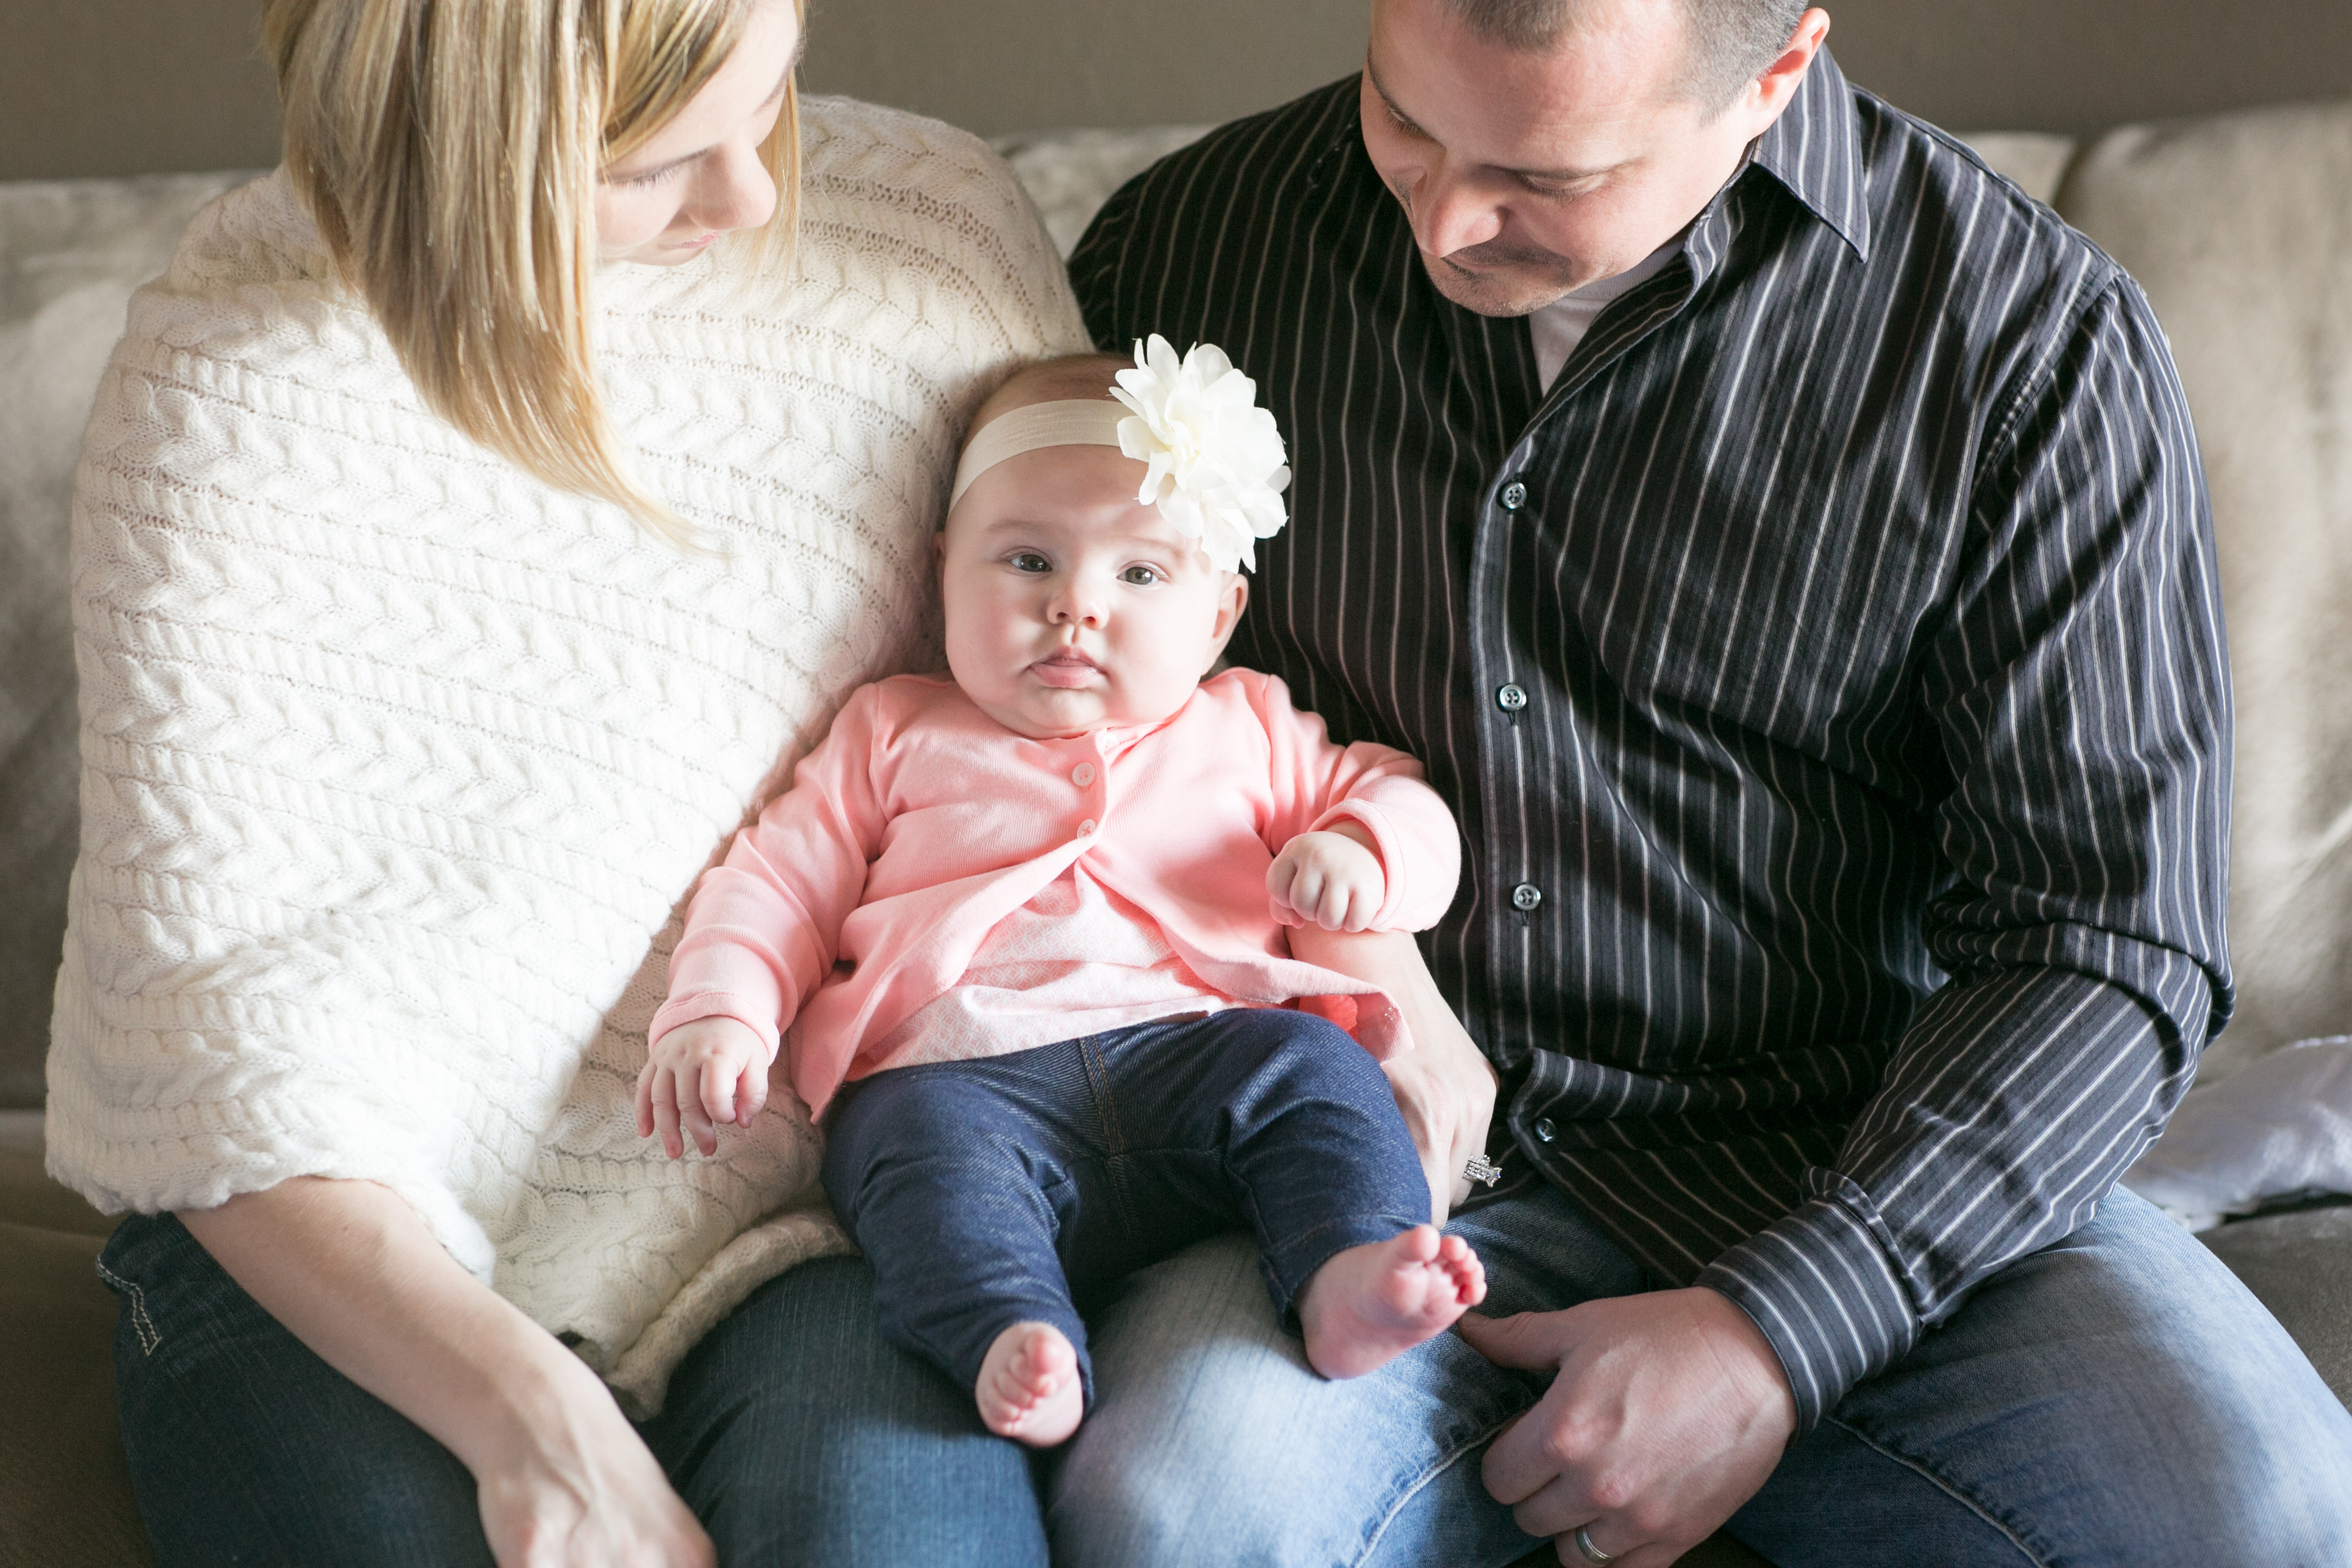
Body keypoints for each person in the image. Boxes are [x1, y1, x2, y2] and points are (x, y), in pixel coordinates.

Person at [1058, 0, 2352, 1564]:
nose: (1449, 217)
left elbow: (2111, 939)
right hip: (1340, 1165)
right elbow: (1043, 726)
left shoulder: (2024, 341)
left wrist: (1774, 1336)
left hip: (1848, 1163)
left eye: (1548, 172)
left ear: (1777, 73)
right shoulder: (1189, 255)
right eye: (1405, 123)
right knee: (1175, 1518)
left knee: (2260, 1511)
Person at [41, 0, 1150, 1560]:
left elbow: (1091, 728)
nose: (754, 198)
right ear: (453, 166)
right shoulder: (232, 384)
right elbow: (215, 1040)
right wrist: (531, 1424)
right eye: (654, 163)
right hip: (323, 1247)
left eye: (769, 106)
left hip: (798, 1215)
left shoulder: (928, 237)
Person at [637, 343, 1485, 1446]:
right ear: (941, 570)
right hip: (964, 1081)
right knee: (911, 1158)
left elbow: (1400, 795)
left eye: (1139, 576)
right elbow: (775, 883)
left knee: (1319, 1073)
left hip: (1202, 1052)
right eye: (1028, 560)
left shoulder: (1249, 724)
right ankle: (1009, 1334)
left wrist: (1365, 853)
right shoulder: (893, 729)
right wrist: (720, 1011)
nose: (1076, 608)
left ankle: (1348, 1268)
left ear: (1220, 615)